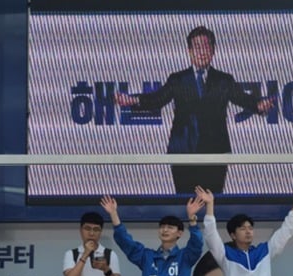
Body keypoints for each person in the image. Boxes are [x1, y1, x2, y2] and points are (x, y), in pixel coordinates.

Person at [115, 26, 275, 195]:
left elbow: (243, 99)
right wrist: (133, 100)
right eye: (197, 47)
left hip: (215, 152)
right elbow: (157, 99)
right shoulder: (177, 79)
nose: (202, 51)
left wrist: (259, 106)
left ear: (213, 50)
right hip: (183, 151)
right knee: (186, 203)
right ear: (189, 52)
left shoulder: (224, 80)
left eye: (206, 47)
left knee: (212, 204)